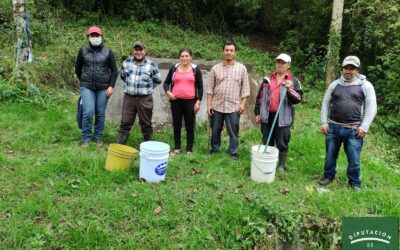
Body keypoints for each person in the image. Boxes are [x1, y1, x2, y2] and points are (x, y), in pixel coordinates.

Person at [319, 56, 377, 191]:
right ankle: (328, 176)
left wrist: (364, 127)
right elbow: (325, 103)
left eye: (352, 68)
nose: (348, 71)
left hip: (354, 130)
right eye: (346, 68)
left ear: (357, 70)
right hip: (333, 128)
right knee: (330, 156)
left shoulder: (366, 86)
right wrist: (324, 123)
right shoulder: (334, 85)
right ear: (342, 69)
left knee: (354, 159)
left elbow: (372, 107)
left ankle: (355, 182)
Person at [254, 53, 302, 172]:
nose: (280, 65)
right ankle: (267, 161)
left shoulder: (293, 81)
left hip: (283, 117)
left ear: (288, 65)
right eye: (278, 62)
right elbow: (260, 97)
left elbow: (298, 99)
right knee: (267, 140)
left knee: (282, 142)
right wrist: (257, 112)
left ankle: (281, 165)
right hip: (267, 116)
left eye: (283, 63)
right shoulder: (267, 79)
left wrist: (290, 90)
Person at [75, 26, 118, 148]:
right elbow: (77, 69)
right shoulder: (82, 51)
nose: (95, 38)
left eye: (97, 35)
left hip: (103, 87)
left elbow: (114, 71)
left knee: (100, 113)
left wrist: (111, 86)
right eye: (92, 35)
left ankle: (98, 137)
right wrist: (83, 80)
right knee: (88, 112)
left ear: (101, 36)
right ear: (88, 37)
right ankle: (86, 138)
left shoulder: (108, 52)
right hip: (87, 87)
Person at [207, 41, 250, 161]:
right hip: (217, 105)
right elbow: (210, 89)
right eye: (227, 50)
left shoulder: (242, 69)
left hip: (234, 106)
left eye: (231, 50)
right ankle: (215, 149)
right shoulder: (215, 68)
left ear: (235, 52)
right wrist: (209, 105)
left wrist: (243, 104)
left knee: (233, 131)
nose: (229, 53)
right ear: (223, 52)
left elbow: (245, 89)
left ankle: (233, 152)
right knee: (215, 130)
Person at [117, 41, 162, 145]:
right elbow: (123, 77)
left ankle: (148, 145)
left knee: (146, 122)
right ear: (133, 51)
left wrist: (147, 89)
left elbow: (158, 80)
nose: (138, 52)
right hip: (129, 98)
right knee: (125, 121)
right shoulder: (126, 63)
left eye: (140, 50)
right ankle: (120, 144)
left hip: (145, 99)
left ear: (144, 51)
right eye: (136, 50)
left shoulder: (151, 65)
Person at [163, 48, 203, 156]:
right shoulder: (174, 68)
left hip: (190, 102)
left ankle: (189, 149)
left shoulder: (195, 69)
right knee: (177, 125)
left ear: (191, 57)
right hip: (176, 101)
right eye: (182, 56)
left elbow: (200, 87)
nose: (184, 58)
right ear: (179, 57)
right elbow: (166, 83)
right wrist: (168, 92)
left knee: (189, 126)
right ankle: (177, 148)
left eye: (186, 56)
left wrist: (198, 102)